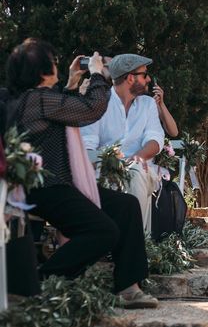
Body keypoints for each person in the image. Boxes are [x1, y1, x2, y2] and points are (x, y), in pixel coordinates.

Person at [4, 38, 157, 308]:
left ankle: (128, 287)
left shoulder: (31, 99)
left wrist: (72, 83)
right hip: (47, 187)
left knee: (126, 206)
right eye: (52, 63)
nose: (56, 66)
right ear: (40, 70)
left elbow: (65, 113)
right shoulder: (36, 99)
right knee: (103, 231)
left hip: (60, 183)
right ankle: (40, 282)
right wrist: (98, 74)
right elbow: (91, 110)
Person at [81, 54, 164, 234]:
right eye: (144, 74)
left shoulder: (148, 104)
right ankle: (128, 242)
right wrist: (110, 166)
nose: (148, 78)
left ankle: (132, 242)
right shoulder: (99, 102)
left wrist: (134, 159)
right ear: (130, 78)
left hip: (139, 169)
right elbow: (88, 146)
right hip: (103, 170)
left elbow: (155, 140)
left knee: (136, 172)